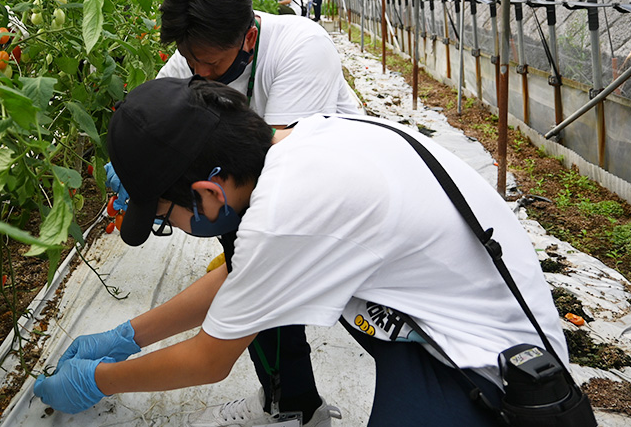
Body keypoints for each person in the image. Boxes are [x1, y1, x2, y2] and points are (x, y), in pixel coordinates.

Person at [33, 77, 569, 427]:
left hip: (502, 378)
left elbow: (207, 360)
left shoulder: (284, 216)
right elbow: (241, 280)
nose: (168, 224)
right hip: (456, 323)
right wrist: (125, 338)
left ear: (206, 194)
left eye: (165, 218)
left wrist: (94, 380)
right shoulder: (303, 141)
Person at [103, 0, 360, 427]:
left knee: (264, 273)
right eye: (192, 60)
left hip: (331, 185)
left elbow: (275, 166)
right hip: (256, 177)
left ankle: (296, 407)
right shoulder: (197, 54)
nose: (200, 71)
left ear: (248, 37)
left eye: (213, 64)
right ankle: (285, 399)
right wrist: (131, 164)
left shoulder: (302, 47)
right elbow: (158, 110)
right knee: (246, 261)